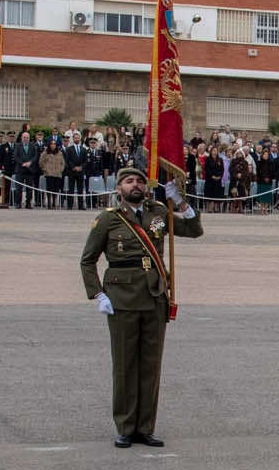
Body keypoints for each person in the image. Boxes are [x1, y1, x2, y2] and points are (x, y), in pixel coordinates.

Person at [80, 162, 204, 447]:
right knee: (125, 365)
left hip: (154, 297)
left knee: (150, 365)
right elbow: (87, 260)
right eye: (129, 182)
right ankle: (126, 426)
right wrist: (98, 294)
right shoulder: (108, 219)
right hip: (122, 300)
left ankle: (145, 427)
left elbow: (193, 230)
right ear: (119, 189)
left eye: (139, 181)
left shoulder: (158, 212)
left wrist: (180, 202)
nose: (135, 185)